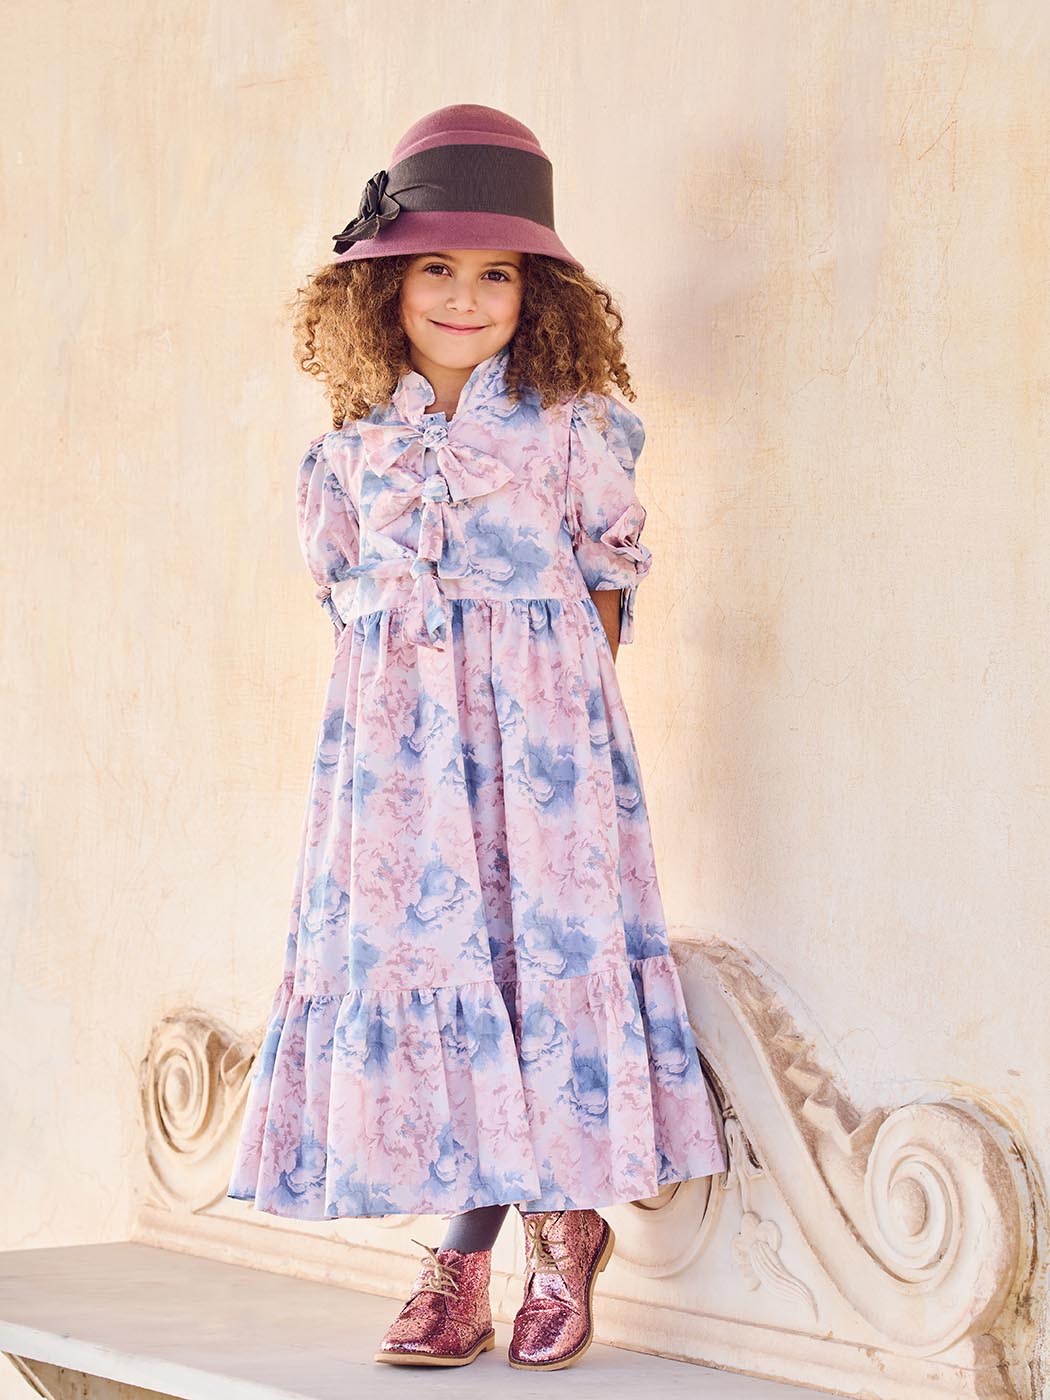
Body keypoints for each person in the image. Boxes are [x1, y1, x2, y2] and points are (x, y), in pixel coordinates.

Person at [225, 103, 727, 1371]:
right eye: (436, 269)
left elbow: (606, 590)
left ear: (534, 292)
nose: (464, 298)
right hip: (396, 774)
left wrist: (557, 748)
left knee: (534, 967)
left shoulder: (572, 428)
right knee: (441, 969)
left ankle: (528, 1235)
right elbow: (353, 624)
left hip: (547, 757)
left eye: (496, 273)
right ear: (384, 287)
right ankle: (499, 1237)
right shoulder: (350, 456)